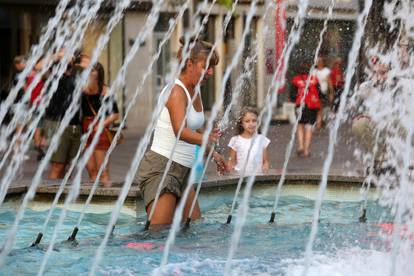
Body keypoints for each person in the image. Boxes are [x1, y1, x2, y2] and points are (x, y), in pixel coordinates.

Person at [135, 37, 227, 226]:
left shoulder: (195, 89)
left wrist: (214, 153)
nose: (210, 72)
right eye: (206, 66)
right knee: (159, 234)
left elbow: (194, 129)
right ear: (189, 63)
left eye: (212, 67)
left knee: (194, 227)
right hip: (162, 169)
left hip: (183, 170)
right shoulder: (176, 92)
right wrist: (206, 137)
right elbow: (180, 131)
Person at [45, 51, 84, 179]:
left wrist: (73, 58)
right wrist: (58, 55)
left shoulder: (76, 78)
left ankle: (61, 195)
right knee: (57, 165)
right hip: (58, 124)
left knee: (68, 166)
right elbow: (41, 64)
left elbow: (89, 65)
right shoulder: (54, 78)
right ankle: (50, 196)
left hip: (75, 125)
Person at [81, 62, 119, 187]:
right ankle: (94, 201)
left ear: (99, 76)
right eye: (90, 74)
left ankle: (109, 199)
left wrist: (101, 125)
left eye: (94, 76)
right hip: (86, 129)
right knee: (91, 170)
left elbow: (115, 115)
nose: (91, 78)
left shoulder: (106, 91)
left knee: (102, 171)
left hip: (100, 130)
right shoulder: (83, 90)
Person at [227, 107, 270, 175]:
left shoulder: (262, 140)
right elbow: (231, 161)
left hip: (257, 177)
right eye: (247, 121)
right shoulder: (235, 140)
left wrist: (265, 173)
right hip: (240, 178)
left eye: (254, 121)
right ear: (241, 123)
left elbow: (265, 162)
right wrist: (231, 175)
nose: (251, 124)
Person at [292, 63, 321, 157]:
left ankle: (300, 146)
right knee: (309, 127)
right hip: (311, 106)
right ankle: (306, 150)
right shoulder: (314, 79)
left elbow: (292, 95)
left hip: (300, 105)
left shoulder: (296, 80)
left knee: (300, 125)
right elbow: (320, 94)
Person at [314, 57, 333, 128]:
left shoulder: (326, 71)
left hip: (323, 91)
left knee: (320, 108)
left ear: (323, 62)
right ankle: (320, 121)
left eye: (320, 61)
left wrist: (331, 92)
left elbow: (329, 82)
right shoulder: (314, 71)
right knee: (317, 108)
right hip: (314, 92)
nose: (319, 62)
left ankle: (319, 123)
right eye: (318, 61)